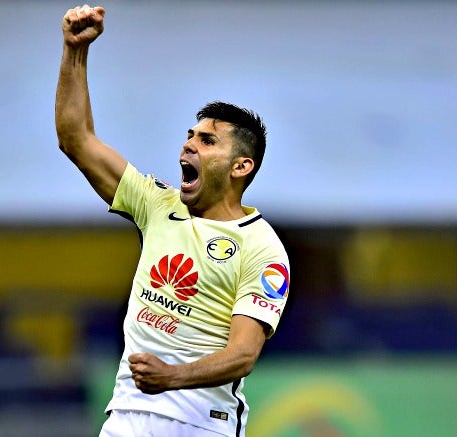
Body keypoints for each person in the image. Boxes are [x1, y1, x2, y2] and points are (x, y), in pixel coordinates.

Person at [55, 5, 290, 437]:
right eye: (189, 136)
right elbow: (76, 139)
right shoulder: (157, 203)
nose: (189, 146)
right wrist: (75, 51)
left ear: (240, 167)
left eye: (207, 141)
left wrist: (171, 377)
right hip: (127, 414)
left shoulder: (263, 249)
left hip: (202, 423)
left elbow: (243, 355)